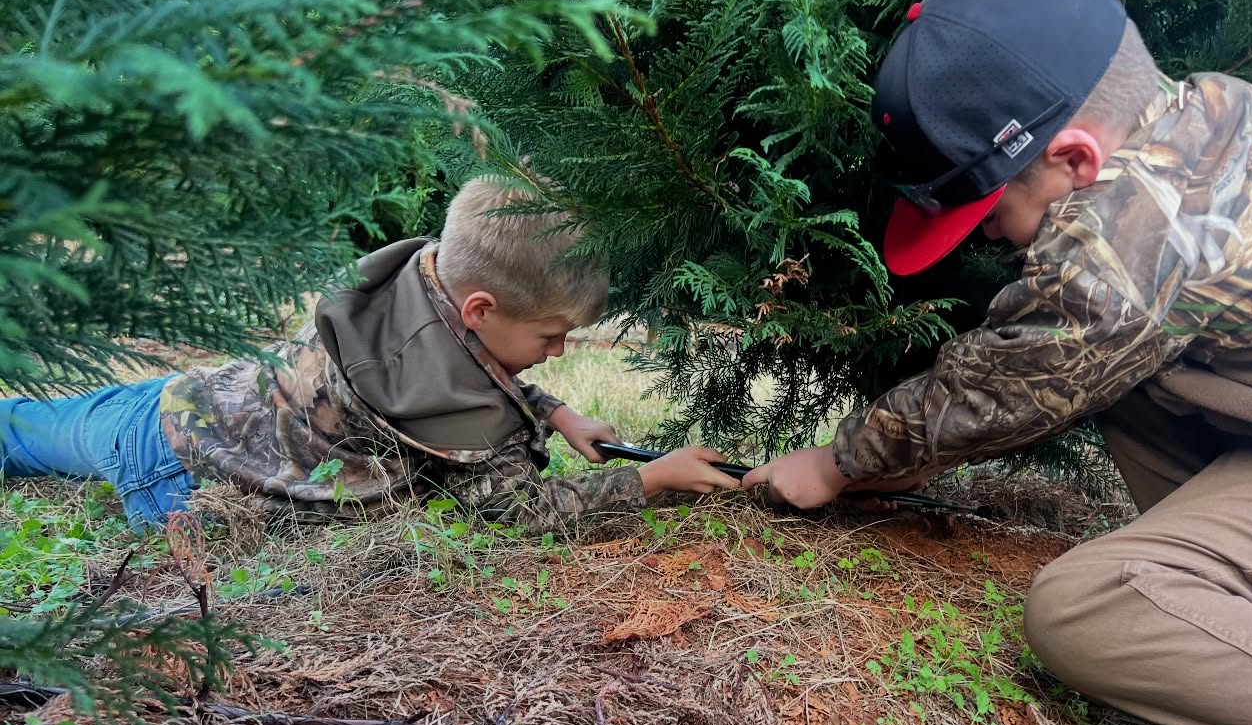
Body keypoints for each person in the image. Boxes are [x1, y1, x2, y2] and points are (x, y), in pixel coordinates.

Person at [742, 0, 1252, 725]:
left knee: (1091, 607)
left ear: (1074, 159)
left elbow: (997, 386)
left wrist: (836, 463)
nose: (990, 238)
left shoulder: (1139, 232)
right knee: (1129, 378)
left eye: (990, 210)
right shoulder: (1204, 122)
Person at [0, 177, 737, 532]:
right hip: (179, 484)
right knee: (32, 440)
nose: (560, 349)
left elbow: (478, 361)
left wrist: (560, 410)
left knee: (26, 429)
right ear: (480, 309)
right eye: (550, 337)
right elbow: (519, 512)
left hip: (193, 401)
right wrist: (653, 481)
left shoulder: (416, 272)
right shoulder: (458, 414)